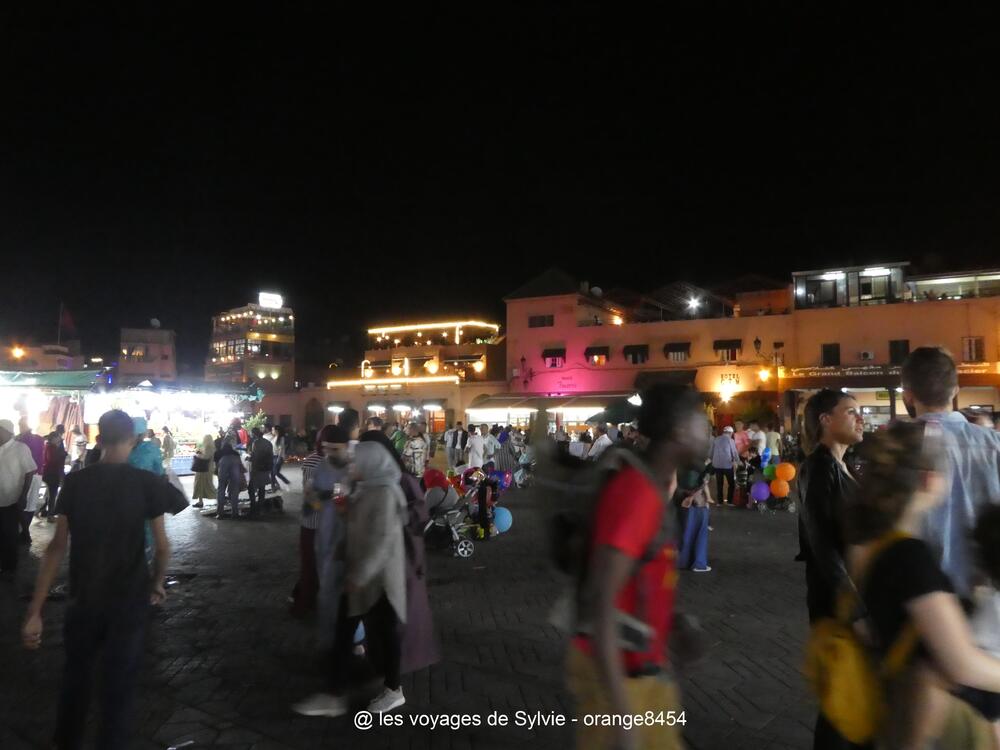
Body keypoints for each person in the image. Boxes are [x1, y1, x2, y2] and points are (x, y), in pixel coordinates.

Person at [21, 409, 187, 750]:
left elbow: (55, 548)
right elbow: (163, 547)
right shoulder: (145, 483)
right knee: (118, 689)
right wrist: (156, 582)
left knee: (76, 679)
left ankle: (66, 743)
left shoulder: (77, 482)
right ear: (132, 440)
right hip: (128, 602)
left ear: (99, 440)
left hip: (83, 600)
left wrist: (35, 610)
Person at [567, 384, 710, 750]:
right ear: (679, 430)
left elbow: (638, 578)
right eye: (701, 422)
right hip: (621, 683)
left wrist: (670, 622)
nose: (707, 432)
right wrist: (623, 720)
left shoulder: (652, 488)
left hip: (645, 675)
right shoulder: (637, 494)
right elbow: (600, 604)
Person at [843, 422, 1000, 748]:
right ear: (930, 479)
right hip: (932, 722)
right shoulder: (909, 557)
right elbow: (961, 663)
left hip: (894, 702)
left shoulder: (869, 543)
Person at [294, 440, 408, 717]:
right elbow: (359, 526)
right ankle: (342, 692)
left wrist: (358, 575)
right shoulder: (368, 488)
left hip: (377, 581)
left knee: (375, 634)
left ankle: (384, 690)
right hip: (363, 577)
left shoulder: (384, 493)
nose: (351, 465)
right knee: (360, 633)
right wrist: (345, 512)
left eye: (357, 462)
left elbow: (381, 542)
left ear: (372, 463)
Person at [901, 347, 1000, 599]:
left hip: (923, 600)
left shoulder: (895, 450)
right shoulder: (994, 444)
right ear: (955, 391)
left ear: (908, 396)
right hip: (988, 596)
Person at [795, 389, 864, 749]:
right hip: (839, 603)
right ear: (825, 419)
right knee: (842, 696)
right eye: (851, 411)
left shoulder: (843, 466)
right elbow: (821, 542)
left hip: (852, 596)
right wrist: (853, 604)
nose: (860, 418)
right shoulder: (818, 468)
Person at [359, 430, 439, 675]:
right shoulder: (369, 479)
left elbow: (419, 514)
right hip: (375, 555)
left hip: (399, 556)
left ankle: (394, 673)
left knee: (396, 616)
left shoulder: (402, 479)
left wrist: (394, 517)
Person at [292, 424, 347, 619]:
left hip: (331, 525)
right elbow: (311, 498)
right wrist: (328, 500)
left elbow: (340, 491)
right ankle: (305, 604)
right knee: (310, 567)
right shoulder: (313, 462)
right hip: (313, 524)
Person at [0, 419, 36, 577]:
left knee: (9, 534)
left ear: (7, 431)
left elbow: (30, 471)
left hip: (12, 499)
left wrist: (23, 495)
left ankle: (10, 567)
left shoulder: (21, 448)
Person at [678, 468, 715, 573]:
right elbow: (703, 482)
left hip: (681, 500)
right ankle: (698, 563)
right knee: (700, 534)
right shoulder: (699, 462)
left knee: (685, 531)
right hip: (698, 502)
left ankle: (682, 561)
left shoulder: (677, 462)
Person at [16, 418, 45, 544]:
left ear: (21, 426)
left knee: (21, 503)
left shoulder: (19, 439)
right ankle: (25, 532)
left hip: (25, 475)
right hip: (38, 474)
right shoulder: (39, 439)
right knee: (31, 504)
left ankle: (25, 532)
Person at [41, 430, 68, 521]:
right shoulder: (51, 447)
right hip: (52, 473)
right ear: (53, 438)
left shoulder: (48, 446)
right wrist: (62, 455)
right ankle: (50, 515)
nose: (59, 440)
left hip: (49, 472)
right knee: (52, 494)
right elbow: (51, 460)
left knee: (50, 494)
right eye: (58, 438)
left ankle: (44, 510)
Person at [213, 435, 242, 520]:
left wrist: (221, 478)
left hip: (223, 467)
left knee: (221, 489)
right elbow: (240, 466)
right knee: (234, 489)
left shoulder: (218, 453)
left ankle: (220, 514)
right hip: (235, 463)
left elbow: (217, 467)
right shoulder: (235, 453)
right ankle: (235, 513)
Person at [710, 425, 739, 505]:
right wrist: (738, 461)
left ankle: (720, 502)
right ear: (730, 433)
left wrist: (711, 460)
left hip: (717, 465)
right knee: (731, 483)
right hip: (727, 465)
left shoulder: (716, 439)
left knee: (719, 484)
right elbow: (734, 452)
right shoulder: (730, 440)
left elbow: (711, 452)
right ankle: (729, 501)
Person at [248, 427, 274, 516]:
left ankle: (253, 507)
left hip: (257, 468)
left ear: (254, 434)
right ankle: (260, 507)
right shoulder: (267, 442)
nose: (250, 435)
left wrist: (249, 458)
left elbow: (256, 456)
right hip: (266, 468)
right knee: (262, 488)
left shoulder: (256, 442)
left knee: (251, 488)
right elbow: (270, 455)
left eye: (251, 433)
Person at [191, 435, 217, 509]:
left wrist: (198, 455)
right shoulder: (211, 447)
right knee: (201, 485)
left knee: (207, 485)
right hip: (205, 469)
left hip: (204, 469)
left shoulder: (209, 447)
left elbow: (206, 457)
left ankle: (219, 498)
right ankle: (200, 501)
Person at [268, 425, 291, 492]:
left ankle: (286, 481)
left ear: (277, 431)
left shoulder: (281, 438)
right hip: (272, 456)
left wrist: (279, 458)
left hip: (278, 457)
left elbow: (281, 449)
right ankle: (273, 487)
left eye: (273, 430)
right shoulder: (273, 437)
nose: (272, 431)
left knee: (276, 472)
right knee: (272, 473)